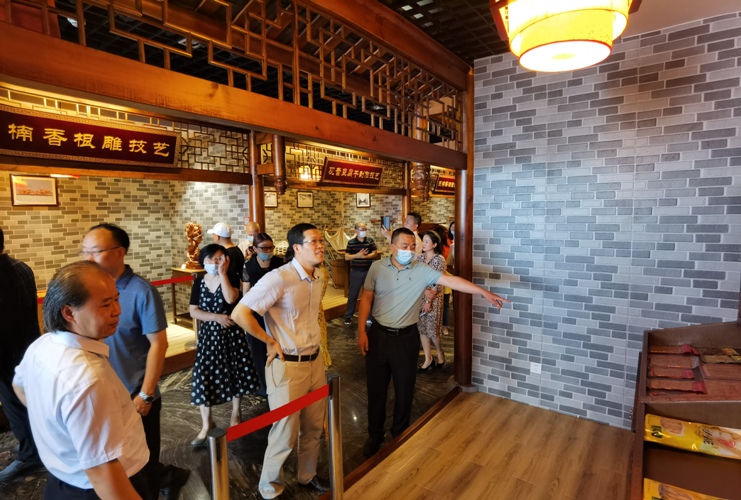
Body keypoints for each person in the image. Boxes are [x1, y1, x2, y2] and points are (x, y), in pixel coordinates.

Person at [357, 227, 509, 458]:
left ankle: (399, 434)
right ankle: (374, 435)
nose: (409, 250)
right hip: (378, 335)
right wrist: (361, 331)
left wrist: (483, 293)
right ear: (392, 246)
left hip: (406, 337)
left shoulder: (421, 270)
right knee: (376, 389)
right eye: (404, 246)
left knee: (405, 389)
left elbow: (452, 280)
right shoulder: (377, 267)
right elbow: (367, 298)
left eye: (412, 246)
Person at [13, 261, 152, 499]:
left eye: (116, 299)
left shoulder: (42, 345)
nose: (117, 310)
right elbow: (103, 473)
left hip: (63, 479)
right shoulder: (88, 380)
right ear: (69, 313)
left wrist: (61, 431)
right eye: (106, 304)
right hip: (100, 488)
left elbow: (20, 387)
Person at [81, 223, 189, 500]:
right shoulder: (87, 291)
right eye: (85, 251)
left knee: (143, 465)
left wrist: (146, 394)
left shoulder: (141, 291)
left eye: (96, 251)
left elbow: (159, 344)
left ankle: (161, 482)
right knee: (115, 459)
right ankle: (170, 476)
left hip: (134, 394)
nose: (88, 258)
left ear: (120, 252)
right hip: (101, 392)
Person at [231, 223, 330, 499]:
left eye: (321, 240)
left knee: (314, 427)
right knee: (284, 432)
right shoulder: (279, 278)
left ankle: (307, 474)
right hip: (288, 364)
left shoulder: (318, 275)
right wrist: (270, 341)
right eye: (313, 241)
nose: (320, 246)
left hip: (315, 361)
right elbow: (240, 313)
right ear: (297, 248)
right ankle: (270, 488)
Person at [189, 244, 259, 446]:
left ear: (226, 260)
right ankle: (206, 424)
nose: (215, 262)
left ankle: (236, 414)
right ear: (203, 261)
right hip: (209, 336)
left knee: (235, 371)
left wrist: (223, 274)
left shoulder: (232, 277)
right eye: (210, 259)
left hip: (231, 334)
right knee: (204, 374)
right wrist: (216, 317)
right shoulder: (199, 281)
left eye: (220, 258)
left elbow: (231, 298)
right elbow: (194, 311)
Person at [0, 228, 44, 483]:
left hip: (6, 355)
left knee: (15, 407)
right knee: (29, 403)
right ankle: (34, 444)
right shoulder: (21, 267)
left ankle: (29, 455)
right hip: (27, 348)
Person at [241, 232, 284, 397]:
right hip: (257, 312)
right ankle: (263, 386)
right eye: (264, 248)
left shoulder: (280, 262)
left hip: (277, 311)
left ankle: (279, 382)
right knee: (258, 349)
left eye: (271, 247)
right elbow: (246, 294)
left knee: (279, 345)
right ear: (254, 249)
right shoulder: (248, 266)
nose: (268, 251)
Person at [416, 231, 446, 371]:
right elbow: (416, 278)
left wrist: (428, 301)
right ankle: (428, 359)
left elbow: (437, 282)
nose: (424, 243)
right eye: (423, 241)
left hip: (434, 298)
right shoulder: (420, 258)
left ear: (434, 244)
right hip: (421, 295)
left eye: (427, 241)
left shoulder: (439, 259)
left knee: (433, 331)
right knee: (422, 328)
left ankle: (440, 353)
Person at [343, 222, 377, 326]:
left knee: (369, 294)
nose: (364, 231)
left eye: (365, 229)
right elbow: (347, 257)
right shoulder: (351, 242)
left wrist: (365, 256)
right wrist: (357, 255)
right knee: (353, 294)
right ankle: (348, 316)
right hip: (356, 271)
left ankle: (370, 317)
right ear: (356, 231)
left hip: (368, 271)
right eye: (362, 229)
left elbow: (374, 253)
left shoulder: (370, 241)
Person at [207, 222, 244, 289]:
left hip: (230, 288)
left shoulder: (226, 254)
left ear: (217, 237)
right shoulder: (236, 249)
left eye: (213, 235)